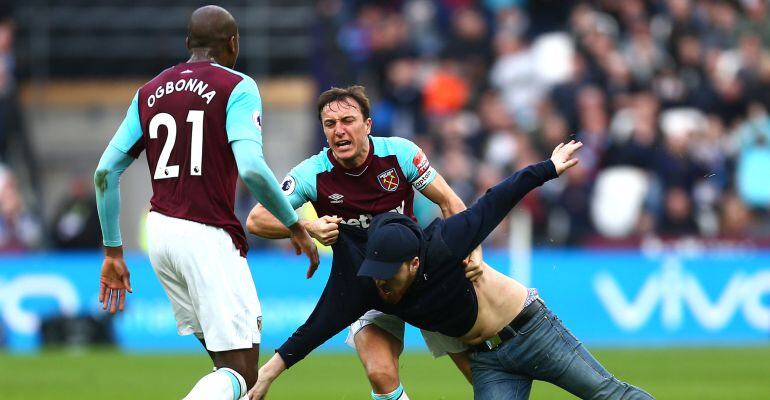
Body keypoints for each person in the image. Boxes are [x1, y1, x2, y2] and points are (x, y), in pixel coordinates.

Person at [251, 141, 655, 400]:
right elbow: (316, 328)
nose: (381, 284)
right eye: (377, 272)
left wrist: (548, 167)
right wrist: (267, 374)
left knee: (609, 395)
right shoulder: (371, 288)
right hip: (488, 362)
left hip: (530, 332)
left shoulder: (445, 245)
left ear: (413, 263)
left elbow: (498, 198)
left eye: (388, 274)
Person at [93, 6, 318, 400]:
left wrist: (113, 250)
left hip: (161, 235)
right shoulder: (238, 86)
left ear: (188, 44)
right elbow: (251, 168)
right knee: (242, 375)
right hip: (207, 236)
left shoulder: (148, 92)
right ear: (233, 44)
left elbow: (105, 172)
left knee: (227, 367)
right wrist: (294, 223)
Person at [246, 85, 482, 399]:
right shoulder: (313, 174)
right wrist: (306, 226)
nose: (339, 131)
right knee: (379, 373)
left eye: (348, 121)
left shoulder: (400, 153)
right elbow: (256, 219)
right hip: (368, 284)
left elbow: (450, 202)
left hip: (418, 275)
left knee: (476, 373)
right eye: (330, 125)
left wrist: (472, 251)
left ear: (367, 125)